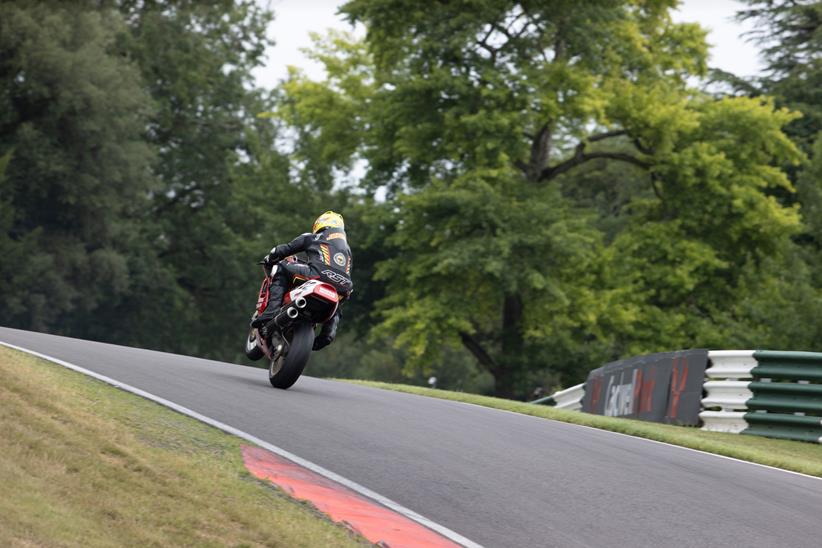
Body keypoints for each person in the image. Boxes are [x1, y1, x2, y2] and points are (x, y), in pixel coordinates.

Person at [251, 211, 353, 350]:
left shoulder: (313, 237)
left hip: (317, 275)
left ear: (320, 223)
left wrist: (270, 257)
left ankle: (270, 312)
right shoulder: (347, 250)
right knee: (338, 304)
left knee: (281, 267)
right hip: (344, 287)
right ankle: (328, 335)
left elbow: (285, 250)